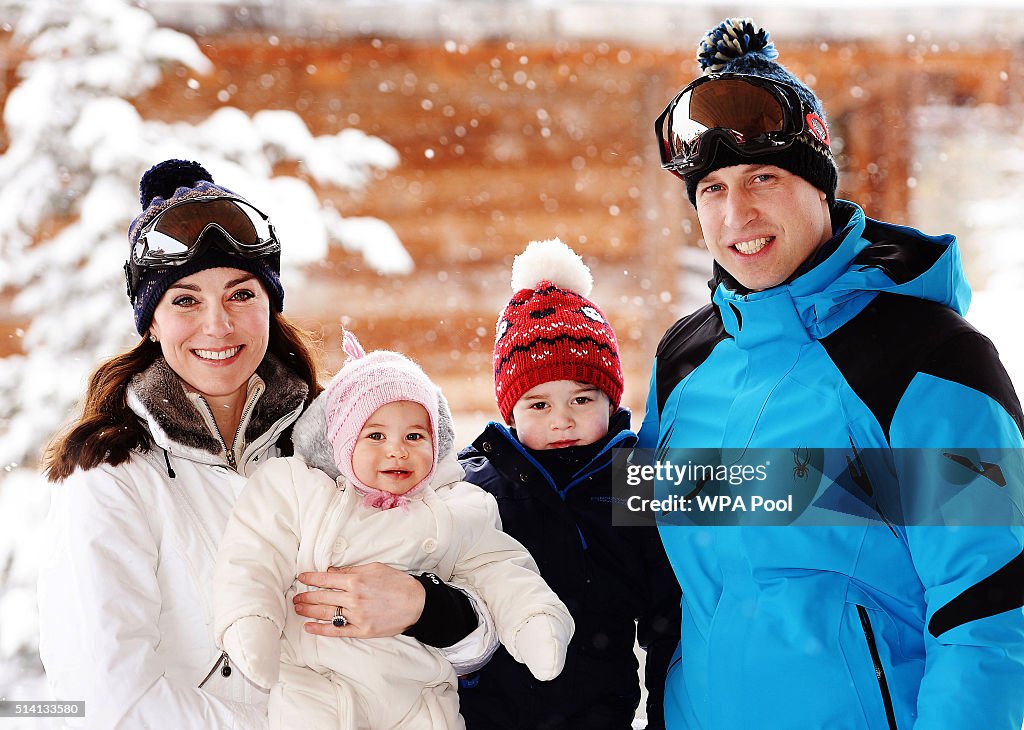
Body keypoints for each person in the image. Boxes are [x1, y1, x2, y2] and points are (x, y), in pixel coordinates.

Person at [640, 17, 1024, 729]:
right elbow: (657, 573)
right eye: (712, 189)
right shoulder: (685, 361)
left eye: (764, 177)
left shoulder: (926, 360)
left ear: (821, 188)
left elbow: (993, 610)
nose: (738, 212)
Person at [37, 159, 497, 728]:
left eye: (239, 294)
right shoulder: (111, 475)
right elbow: (107, 697)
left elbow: (481, 624)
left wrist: (431, 609)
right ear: (150, 321)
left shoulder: (343, 437)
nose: (217, 324)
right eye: (185, 300)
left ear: (269, 303)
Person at [213, 331, 574, 729]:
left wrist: (533, 618)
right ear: (343, 442)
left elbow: (502, 570)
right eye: (376, 435)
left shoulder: (456, 507)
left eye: (415, 436)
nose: (397, 450)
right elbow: (252, 557)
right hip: (319, 689)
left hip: (419, 697)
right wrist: (251, 620)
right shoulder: (301, 490)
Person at [458, 238, 682, 729]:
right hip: (485, 715)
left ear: (611, 400)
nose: (562, 421)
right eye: (538, 405)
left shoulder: (636, 485)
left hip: (598, 714)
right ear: (511, 413)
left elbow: (668, 621)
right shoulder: (472, 487)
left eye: (582, 400)